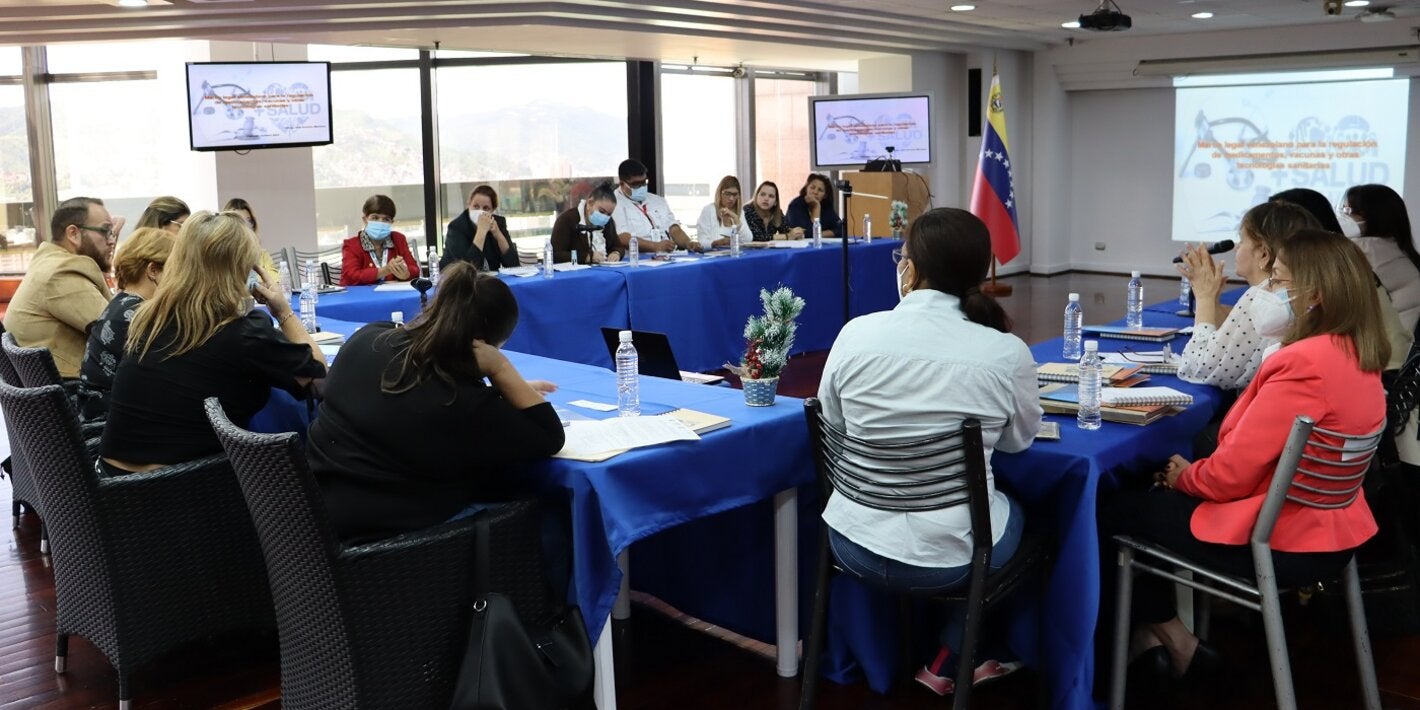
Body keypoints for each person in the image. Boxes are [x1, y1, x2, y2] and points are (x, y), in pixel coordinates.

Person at [1101, 229, 1386, 689]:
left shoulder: (1302, 362)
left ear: (1312, 295)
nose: (1265, 291)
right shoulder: (1357, 351)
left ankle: (1170, 645)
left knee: (1111, 508)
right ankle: (1155, 643)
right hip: (1333, 533)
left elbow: (1227, 476)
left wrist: (1187, 477)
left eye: (1276, 278)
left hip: (1280, 541)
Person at [817, 207, 1041, 696]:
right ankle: (961, 647)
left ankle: (951, 646)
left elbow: (833, 425)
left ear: (910, 270)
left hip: (851, 541)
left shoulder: (855, 333)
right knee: (1030, 522)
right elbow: (1019, 441)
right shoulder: (1006, 353)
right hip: (952, 557)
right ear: (981, 273)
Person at [308, 261, 565, 544]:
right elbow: (549, 436)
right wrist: (501, 370)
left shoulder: (366, 339)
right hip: (388, 541)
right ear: (487, 346)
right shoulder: (459, 401)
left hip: (316, 516)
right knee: (550, 519)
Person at [100, 211, 326, 473]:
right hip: (185, 491)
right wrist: (283, 312)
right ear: (241, 269)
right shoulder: (244, 334)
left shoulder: (148, 320)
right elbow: (318, 376)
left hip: (111, 484)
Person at [1176, 201, 1320, 390]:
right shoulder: (1291, 293)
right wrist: (1213, 300)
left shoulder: (1264, 297)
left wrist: (1204, 298)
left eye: (1242, 241)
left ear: (1263, 253)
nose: (1237, 248)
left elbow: (1197, 368)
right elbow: (1232, 340)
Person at [3, 197, 114, 379]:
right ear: (73, 234)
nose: (111, 241)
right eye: (105, 231)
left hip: (45, 395)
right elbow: (121, 331)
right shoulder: (62, 272)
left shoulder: (48, 261)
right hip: (72, 396)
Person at [77, 227, 175, 420]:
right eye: (177, 269)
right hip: (112, 434)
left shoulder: (120, 304)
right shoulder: (141, 316)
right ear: (153, 270)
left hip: (95, 421)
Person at [1342, 184, 1420, 336]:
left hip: (1387, 347)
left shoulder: (1364, 249)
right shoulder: (1400, 249)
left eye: (1348, 211)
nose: (1344, 217)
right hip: (1401, 344)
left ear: (1369, 216)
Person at [610, 159, 702, 254]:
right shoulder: (614, 203)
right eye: (636, 184)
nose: (642, 187)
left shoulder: (658, 200)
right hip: (636, 260)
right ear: (622, 184)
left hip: (667, 256)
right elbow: (622, 237)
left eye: (644, 182)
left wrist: (688, 243)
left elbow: (673, 228)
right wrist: (655, 246)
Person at [339, 194, 420, 286]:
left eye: (386, 219)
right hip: (361, 298)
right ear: (365, 219)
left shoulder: (398, 239)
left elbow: (415, 269)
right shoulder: (352, 245)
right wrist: (385, 270)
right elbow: (350, 277)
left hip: (392, 296)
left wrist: (407, 274)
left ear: (391, 222)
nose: (380, 222)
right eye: (375, 218)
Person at [440, 184, 521, 272]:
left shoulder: (498, 223)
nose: (480, 212)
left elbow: (514, 265)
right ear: (469, 205)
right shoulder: (456, 227)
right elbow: (467, 270)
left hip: (489, 280)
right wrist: (481, 231)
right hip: (455, 280)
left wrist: (498, 235)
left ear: (493, 210)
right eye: (476, 206)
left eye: (486, 208)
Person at [550, 181, 621, 264]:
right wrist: (586, 257)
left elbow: (618, 246)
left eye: (609, 214)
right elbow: (555, 255)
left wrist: (616, 253)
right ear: (590, 203)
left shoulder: (607, 221)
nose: (605, 217)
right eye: (601, 211)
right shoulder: (567, 219)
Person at [223, 197, 282, 282]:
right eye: (240, 222)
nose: (246, 227)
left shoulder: (261, 254)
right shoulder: (222, 257)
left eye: (249, 221)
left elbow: (275, 280)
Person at [695, 176, 753, 248]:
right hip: (714, 256)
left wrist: (737, 221)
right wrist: (716, 243)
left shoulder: (740, 212)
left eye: (735, 194)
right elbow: (701, 242)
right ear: (720, 193)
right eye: (727, 194)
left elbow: (748, 240)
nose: (731, 198)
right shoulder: (709, 210)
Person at [785, 173, 840, 238]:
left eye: (820, 190)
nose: (815, 192)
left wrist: (819, 234)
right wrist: (816, 207)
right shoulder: (796, 205)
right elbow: (807, 234)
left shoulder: (826, 207)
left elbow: (841, 230)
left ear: (825, 195)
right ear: (806, 188)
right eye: (812, 188)